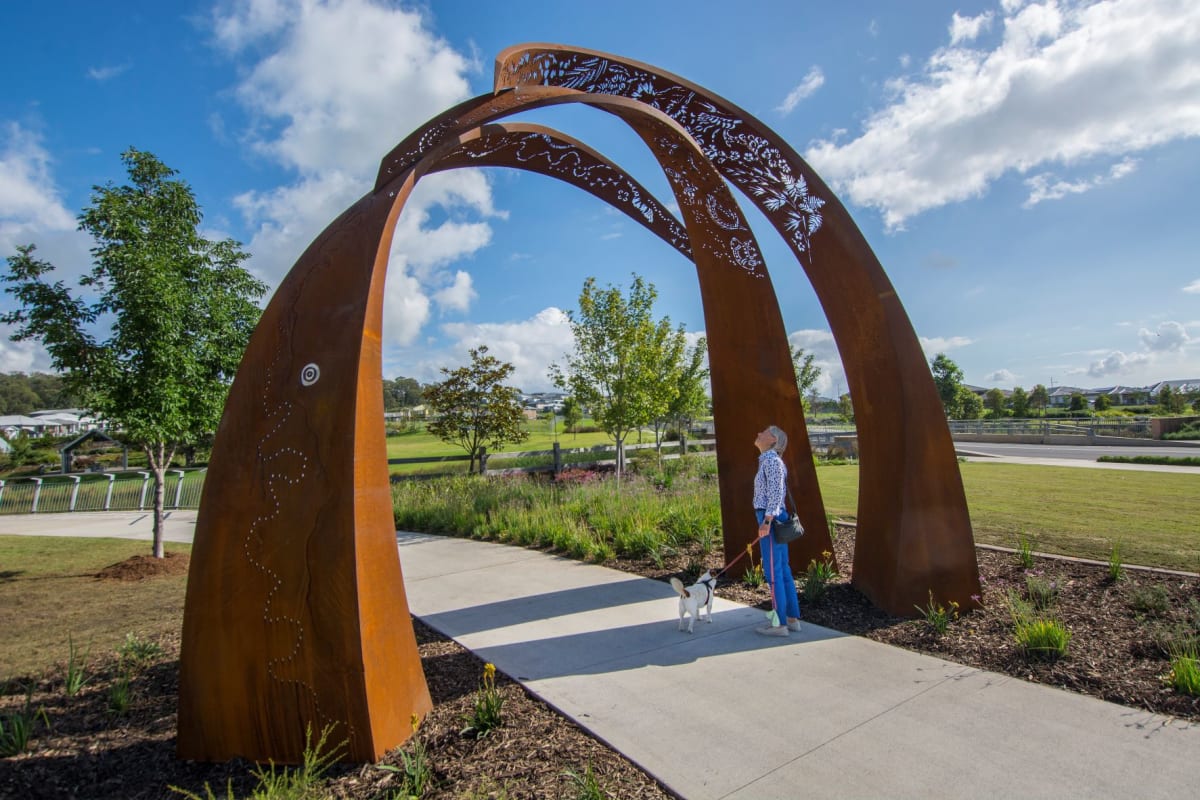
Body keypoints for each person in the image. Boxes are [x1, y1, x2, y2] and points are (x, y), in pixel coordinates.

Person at [752, 424, 801, 637]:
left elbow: (775, 494)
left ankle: (779, 624)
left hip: (770, 519)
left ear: (773, 440)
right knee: (782, 569)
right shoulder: (770, 461)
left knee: (773, 572)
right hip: (774, 518)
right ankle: (791, 618)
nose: (759, 433)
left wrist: (766, 521)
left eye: (764, 432)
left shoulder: (771, 462)